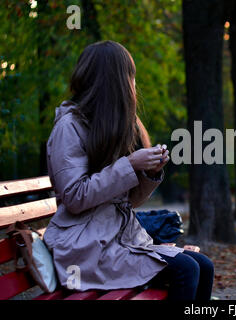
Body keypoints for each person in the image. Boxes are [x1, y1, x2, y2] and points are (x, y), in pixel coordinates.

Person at [42, 41, 214, 301]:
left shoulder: (110, 127)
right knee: (186, 270)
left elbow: (128, 202)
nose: (133, 85)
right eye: (129, 77)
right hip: (85, 247)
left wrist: (148, 174)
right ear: (113, 82)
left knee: (204, 265)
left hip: (117, 240)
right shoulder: (70, 127)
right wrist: (130, 164)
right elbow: (75, 197)